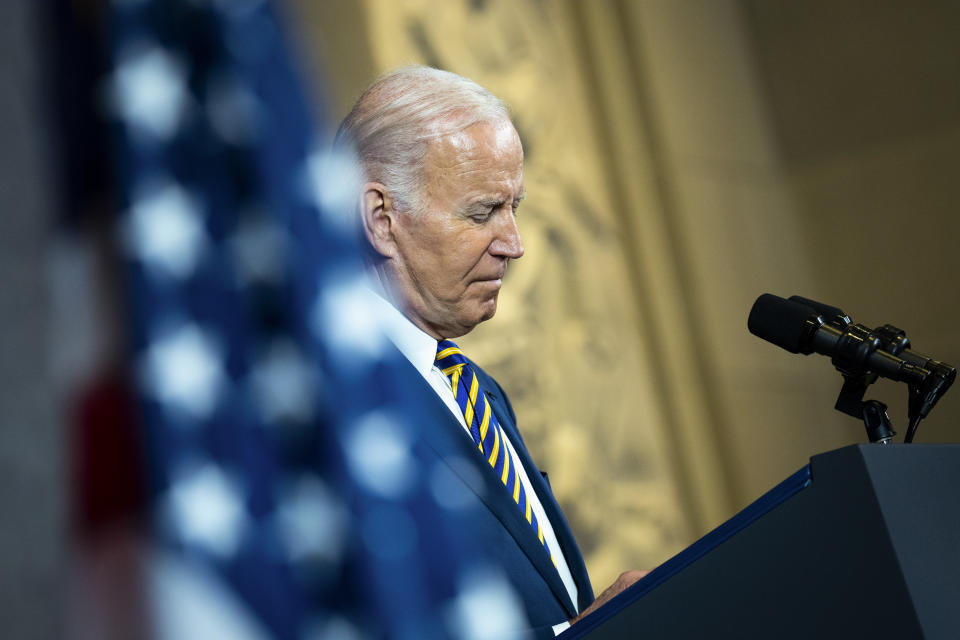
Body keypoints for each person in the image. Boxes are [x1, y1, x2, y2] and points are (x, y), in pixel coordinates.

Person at [335, 66, 645, 636]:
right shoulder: (344, 397)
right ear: (381, 219)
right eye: (482, 213)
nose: (515, 245)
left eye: (514, 207)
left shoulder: (476, 391)